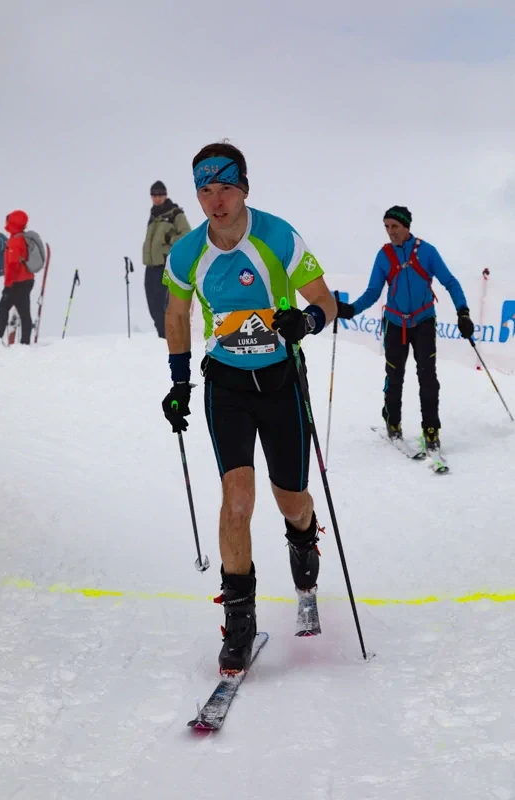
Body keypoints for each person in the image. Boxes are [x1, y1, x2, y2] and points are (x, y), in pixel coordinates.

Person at [160, 141, 337, 674]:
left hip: (282, 384)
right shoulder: (187, 252)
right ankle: (239, 624)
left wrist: (306, 322)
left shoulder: (278, 236)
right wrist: (179, 382)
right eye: (206, 191)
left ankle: (304, 546)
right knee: (237, 501)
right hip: (227, 387)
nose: (216, 201)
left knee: (292, 502)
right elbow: (176, 316)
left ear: (244, 188)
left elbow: (325, 301)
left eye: (226, 188)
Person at [336, 205, 474, 450]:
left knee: (428, 377)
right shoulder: (384, 256)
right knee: (394, 376)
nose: (391, 231)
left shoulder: (427, 252)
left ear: (406, 226)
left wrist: (463, 312)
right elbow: (373, 292)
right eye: (387, 227)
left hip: (423, 321)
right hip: (395, 323)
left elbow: (450, 282)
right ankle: (392, 421)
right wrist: (351, 309)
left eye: (395, 226)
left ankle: (431, 429)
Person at [142, 180, 191, 338]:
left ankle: (170, 336)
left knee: (165, 303)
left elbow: (187, 235)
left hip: (165, 265)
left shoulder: (175, 214)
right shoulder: (154, 216)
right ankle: (162, 336)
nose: (157, 198)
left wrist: (170, 240)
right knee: (153, 304)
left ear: (165, 195)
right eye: (154, 195)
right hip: (151, 266)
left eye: (160, 194)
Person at [0, 210, 35, 345]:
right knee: (22, 311)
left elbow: (13, 265)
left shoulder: (15, 241)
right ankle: (24, 342)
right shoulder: (23, 238)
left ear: (13, 223)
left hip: (17, 282)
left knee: (6, 307)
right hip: (27, 279)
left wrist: (7, 286)